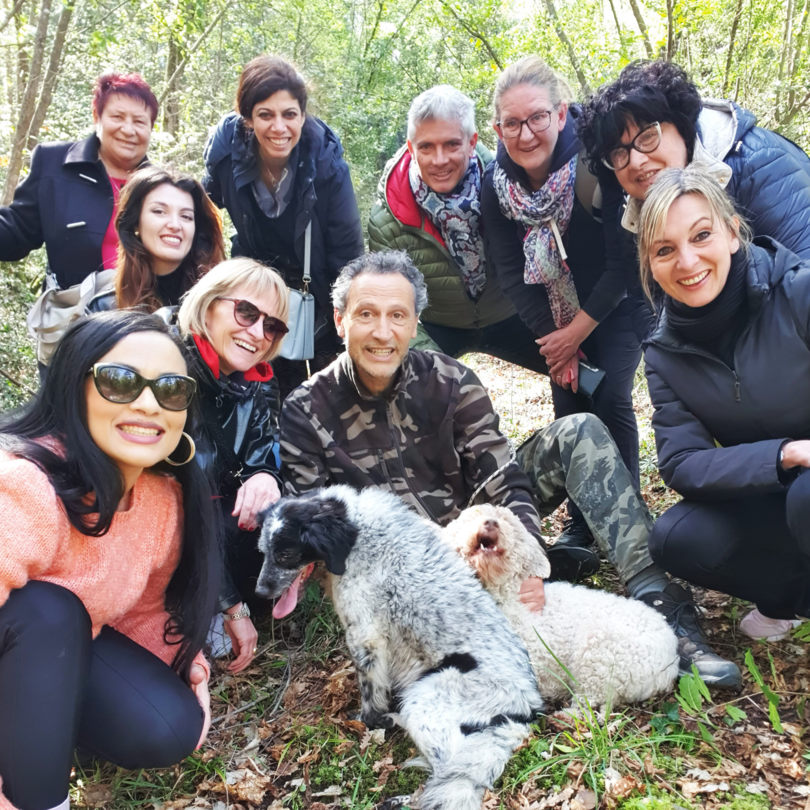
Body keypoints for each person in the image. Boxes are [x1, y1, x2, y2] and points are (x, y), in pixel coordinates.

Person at [279, 250, 742, 687]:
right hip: (404, 572)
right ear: (340, 320)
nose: (383, 332)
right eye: (366, 314)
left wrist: (528, 556)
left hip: (479, 523)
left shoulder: (450, 381)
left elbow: (501, 479)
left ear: (415, 322)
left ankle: (659, 601)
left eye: (397, 315)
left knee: (580, 430)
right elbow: (317, 535)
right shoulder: (305, 410)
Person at [0, 311, 220, 810]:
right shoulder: (24, 487)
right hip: (23, 642)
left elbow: (145, 610)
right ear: (73, 389)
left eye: (171, 390)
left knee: (168, 725)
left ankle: (38, 735)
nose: (149, 404)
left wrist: (188, 668)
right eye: (120, 382)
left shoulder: (161, 499)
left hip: (49, 658)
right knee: (48, 612)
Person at [638, 165, 810, 642]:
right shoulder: (664, 354)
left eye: (701, 235)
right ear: (650, 263)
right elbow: (682, 462)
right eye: (665, 250)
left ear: (732, 233)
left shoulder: (798, 293)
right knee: (677, 538)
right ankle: (792, 601)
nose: (687, 261)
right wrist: (785, 454)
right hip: (772, 486)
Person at [480, 56, 642, 557]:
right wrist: (558, 343)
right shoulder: (495, 185)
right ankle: (581, 527)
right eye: (512, 123)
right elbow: (511, 272)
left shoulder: (597, 163)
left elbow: (622, 264)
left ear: (561, 113)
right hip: (554, 311)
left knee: (609, 396)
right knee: (570, 402)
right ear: (498, 129)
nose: (526, 134)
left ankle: (630, 526)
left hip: (617, 304)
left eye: (537, 118)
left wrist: (576, 335)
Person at [578, 59, 810, 338]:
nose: (636, 161)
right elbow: (645, 303)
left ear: (681, 126)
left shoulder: (758, 166)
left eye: (648, 136)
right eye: (619, 152)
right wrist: (670, 359)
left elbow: (803, 283)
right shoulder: (632, 214)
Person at [203, 55, 364, 399]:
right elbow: (205, 208)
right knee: (264, 389)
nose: (279, 127)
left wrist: (349, 319)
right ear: (248, 118)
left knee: (329, 392)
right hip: (257, 289)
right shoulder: (226, 153)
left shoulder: (326, 163)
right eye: (266, 115)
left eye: (289, 114)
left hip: (318, 287)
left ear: (302, 116)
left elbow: (348, 252)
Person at [368, 85, 546, 373]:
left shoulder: (512, 188)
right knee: (388, 379)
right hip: (438, 323)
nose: (439, 160)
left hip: (512, 313)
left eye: (451, 144)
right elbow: (391, 312)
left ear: (471, 142)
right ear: (411, 148)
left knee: (585, 375)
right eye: (426, 147)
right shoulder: (387, 219)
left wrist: (561, 335)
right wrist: (438, 374)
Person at [169, 258, 288, 672]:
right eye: (247, 312)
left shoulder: (253, 382)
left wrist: (265, 475)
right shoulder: (167, 372)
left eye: (272, 325)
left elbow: (263, 450)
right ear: (208, 305)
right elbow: (176, 507)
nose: (257, 333)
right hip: (168, 536)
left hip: (216, 528)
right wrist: (232, 607)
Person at [0, 71, 157, 290]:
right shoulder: (54, 163)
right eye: (117, 117)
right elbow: (18, 231)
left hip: (143, 309)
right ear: (97, 117)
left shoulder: (161, 186)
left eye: (139, 121)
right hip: (72, 308)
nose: (128, 130)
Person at [89, 166, 225, 312]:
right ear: (135, 222)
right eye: (159, 211)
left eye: (186, 216)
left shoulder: (222, 297)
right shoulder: (106, 306)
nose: (175, 225)